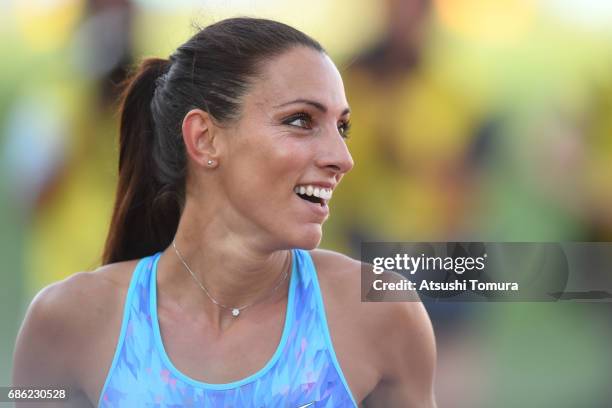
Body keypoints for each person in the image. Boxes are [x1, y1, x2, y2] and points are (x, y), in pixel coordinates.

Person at [13, 17, 436, 407]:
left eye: (341, 127)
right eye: (301, 121)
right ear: (204, 139)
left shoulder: (382, 314)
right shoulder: (66, 323)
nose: (342, 158)